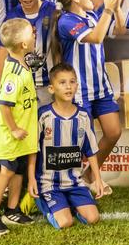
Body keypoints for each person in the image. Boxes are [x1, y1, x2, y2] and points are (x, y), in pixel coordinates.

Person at [50, 0, 126, 189]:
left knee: (113, 132)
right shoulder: (66, 21)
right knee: (79, 142)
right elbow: (96, 37)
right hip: (78, 91)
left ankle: (89, 176)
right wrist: (108, 9)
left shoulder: (93, 16)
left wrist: (117, 9)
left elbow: (120, 32)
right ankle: (70, 185)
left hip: (100, 87)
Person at [29, 62, 104, 228]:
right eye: (62, 83)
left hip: (75, 183)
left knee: (93, 219)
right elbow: (33, 150)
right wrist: (31, 179)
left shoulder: (83, 116)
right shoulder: (44, 116)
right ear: (51, 88)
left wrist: (97, 179)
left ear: (77, 85)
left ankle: (73, 205)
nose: (68, 87)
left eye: (72, 82)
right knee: (65, 223)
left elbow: (90, 151)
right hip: (49, 184)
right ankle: (44, 201)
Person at [0, 18, 38, 236]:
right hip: (10, 133)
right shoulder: (14, 73)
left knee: (18, 170)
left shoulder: (23, 62)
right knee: (6, 171)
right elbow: (4, 105)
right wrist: (13, 129)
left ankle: (11, 210)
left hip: (22, 132)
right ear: (24, 44)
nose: (34, 36)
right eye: (31, 35)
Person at [0, 0, 55, 100]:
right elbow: (2, 51)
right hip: (21, 84)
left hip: (49, 84)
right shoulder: (12, 17)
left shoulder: (53, 11)